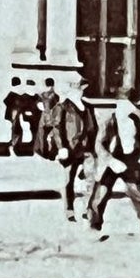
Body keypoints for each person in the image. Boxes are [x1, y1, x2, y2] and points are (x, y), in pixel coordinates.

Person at [85, 87, 140, 241]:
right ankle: (93, 227)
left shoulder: (137, 120)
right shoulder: (110, 121)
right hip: (112, 161)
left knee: (136, 194)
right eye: (124, 104)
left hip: (129, 161)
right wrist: (111, 161)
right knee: (101, 193)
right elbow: (99, 145)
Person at [55, 85, 98, 222]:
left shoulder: (87, 106)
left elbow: (93, 128)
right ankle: (69, 210)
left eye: (81, 89)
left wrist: (94, 147)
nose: (80, 92)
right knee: (69, 180)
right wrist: (61, 147)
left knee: (90, 179)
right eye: (78, 89)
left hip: (86, 149)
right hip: (70, 149)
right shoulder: (63, 107)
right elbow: (57, 128)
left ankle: (88, 209)